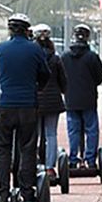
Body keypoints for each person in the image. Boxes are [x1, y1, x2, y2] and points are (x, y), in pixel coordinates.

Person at [0, 13, 50, 202]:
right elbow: (45, 74)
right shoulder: (35, 50)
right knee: (27, 147)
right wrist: (36, 87)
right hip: (27, 105)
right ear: (27, 30)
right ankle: (26, 190)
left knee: (3, 148)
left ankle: (3, 191)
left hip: (5, 104)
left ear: (10, 30)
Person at [61, 24, 102, 169]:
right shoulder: (92, 56)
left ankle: (73, 158)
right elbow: (99, 76)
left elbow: (60, 77)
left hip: (71, 99)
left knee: (73, 130)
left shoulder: (65, 57)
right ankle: (90, 159)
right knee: (91, 129)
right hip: (88, 98)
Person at [31, 23, 67, 180]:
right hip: (53, 101)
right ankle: (50, 167)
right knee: (51, 133)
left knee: (35, 134)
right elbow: (63, 81)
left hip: (35, 100)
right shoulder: (55, 58)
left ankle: (33, 164)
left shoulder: (32, 56)